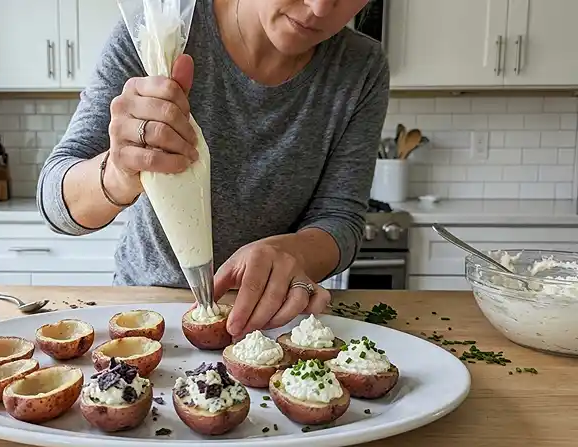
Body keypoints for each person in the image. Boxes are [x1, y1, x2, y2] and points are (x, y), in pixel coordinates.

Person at [37, 0, 388, 338]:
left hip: (273, 320)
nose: (321, 7)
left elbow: (341, 219)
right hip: (146, 314)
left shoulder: (361, 67)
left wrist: (293, 252)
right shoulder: (161, 31)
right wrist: (117, 172)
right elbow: (55, 204)